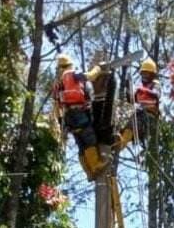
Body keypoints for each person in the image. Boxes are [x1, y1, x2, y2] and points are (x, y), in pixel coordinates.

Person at [53, 53, 108, 181]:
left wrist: (61, 121)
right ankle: (95, 165)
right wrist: (98, 68)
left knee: (81, 144)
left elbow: (57, 106)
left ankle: (88, 172)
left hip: (68, 117)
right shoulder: (73, 75)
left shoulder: (59, 83)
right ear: (70, 65)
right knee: (89, 138)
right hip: (79, 112)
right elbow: (90, 76)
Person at [115, 58, 160, 150]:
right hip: (138, 115)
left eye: (146, 73)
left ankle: (120, 143)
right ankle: (115, 138)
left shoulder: (155, 85)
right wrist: (128, 88)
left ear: (152, 74)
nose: (144, 75)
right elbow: (131, 100)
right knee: (121, 118)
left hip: (147, 118)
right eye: (143, 73)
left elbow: (156, 95)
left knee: (131, 124)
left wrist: (142, 90)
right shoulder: (140, 88)